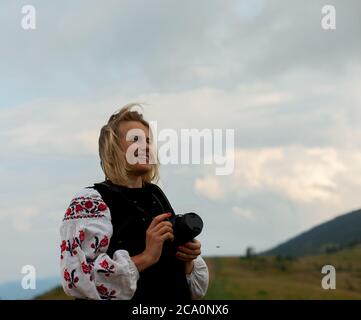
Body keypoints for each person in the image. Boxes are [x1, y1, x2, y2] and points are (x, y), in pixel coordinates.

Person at [59, 103, 209, 300]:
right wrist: (146, 256)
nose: (145, 146)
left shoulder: (155, 195)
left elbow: (192, 288)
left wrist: (187, 259)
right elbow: (78, 279)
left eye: (148, 140)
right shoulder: (90, 201)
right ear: (113, 148)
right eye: (135, 140)